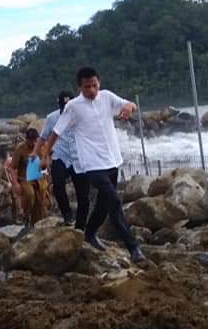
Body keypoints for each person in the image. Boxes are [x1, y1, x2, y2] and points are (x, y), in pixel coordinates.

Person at [44, 67, 147, 265]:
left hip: (112, 160)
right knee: (115, 202)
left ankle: (89, 233)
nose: (91, 90)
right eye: (87, 87)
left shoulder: (107, 97)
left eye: (94, 85)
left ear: (99, 82)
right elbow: (56, 132)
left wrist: (128, 107)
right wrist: (45, 156)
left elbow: (128, 103)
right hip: (91, 164)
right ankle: (133, 247)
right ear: (79, 87)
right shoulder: (73, 107)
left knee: (102, 205)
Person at [37, 91, 91, 228]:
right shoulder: (52, 118)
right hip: (60, 156)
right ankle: (67, 215)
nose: (66, 109)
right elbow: (43, 138)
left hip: (78, 157)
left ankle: (81, 223)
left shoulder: (83, 116)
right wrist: (39, 156)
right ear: (59, 104)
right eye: (63, 106)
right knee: (58, 185)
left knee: (83, 193)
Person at [11, 128, 47, 225]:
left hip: (38, 177)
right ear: (26, 139)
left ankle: (38, 221)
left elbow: (44, 164)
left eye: (34, 140)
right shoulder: (20, 149)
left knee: (42, 195)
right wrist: (15, 184)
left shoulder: (39, 147)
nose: (32, 142)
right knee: (30, 194)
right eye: (30, 140)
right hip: (24, 178)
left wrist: (45, 170)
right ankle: (25, 215)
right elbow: (13, 168)